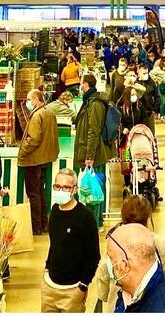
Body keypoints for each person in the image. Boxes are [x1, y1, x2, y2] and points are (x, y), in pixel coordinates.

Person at [95, 194, 165, 311]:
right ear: (148, 218)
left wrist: (106, 294)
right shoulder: (160, 244)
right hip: (152, 303)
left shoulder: (115, 243)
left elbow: (102, 279)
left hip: (117, 304)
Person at [41, 168, 101, 313]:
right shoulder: (55, 211)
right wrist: (47, 269)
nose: (61, 190)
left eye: (66, 187)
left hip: (73, 290)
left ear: (74, 190)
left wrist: (83, 285)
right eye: (57, 186)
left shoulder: (85, 217)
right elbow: (54, 244)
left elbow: (93, 256)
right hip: (49, 287)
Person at [105, 222, 165, 313]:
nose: (108, 264)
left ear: (125, 265)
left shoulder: (164, 309)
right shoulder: (131, 294)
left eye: (110, 258)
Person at [18, 88, 59, 235]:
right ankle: (43, 224)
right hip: (44, 158)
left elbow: (33, 139)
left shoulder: (37, 116)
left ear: (36, 99)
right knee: (40, 193)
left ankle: (35, 227)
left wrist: (22, 152)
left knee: (33, 194)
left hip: (33, 159)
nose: (27, 103)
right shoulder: (49, 112)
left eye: (29, 100)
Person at [73, 74, 112, 229]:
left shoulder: (94, 104)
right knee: (93, 187)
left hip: (94, 154)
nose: (80, 87)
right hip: (92, 152)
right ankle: (93, 221)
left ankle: (95, 223)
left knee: (93, 190)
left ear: (86, 85)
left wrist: (89, 156)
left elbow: (93, 131)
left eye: (81, 84)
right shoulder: (89, 101)